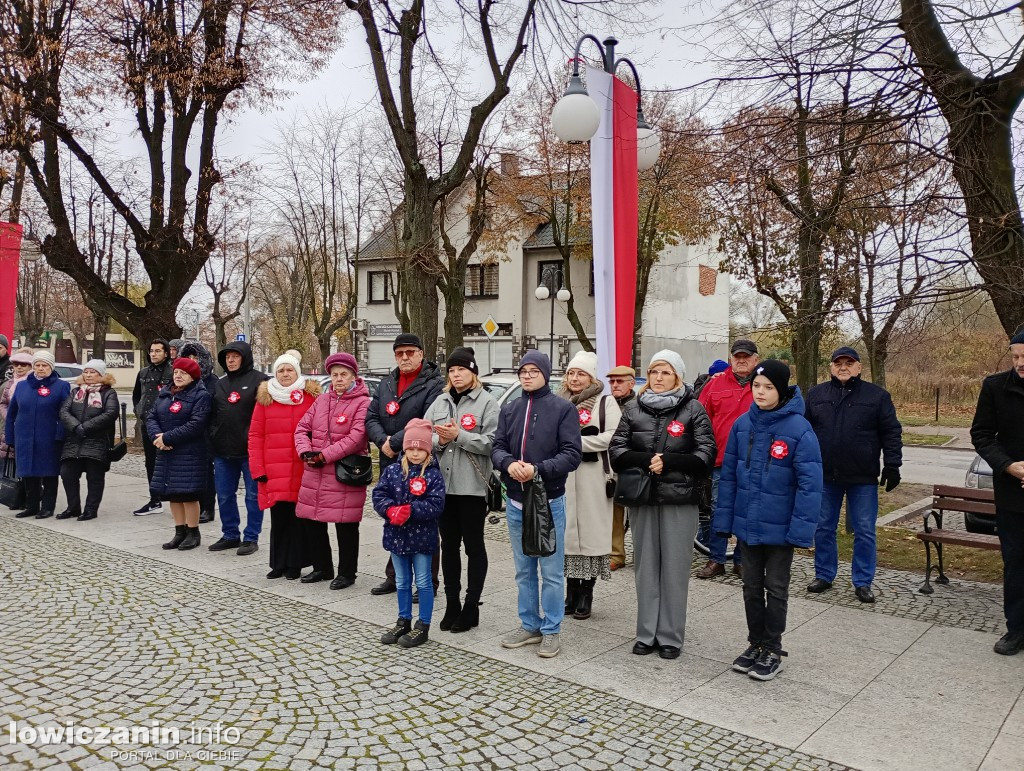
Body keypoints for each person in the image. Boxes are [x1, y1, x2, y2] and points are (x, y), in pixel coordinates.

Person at [713, 360, 822, 680]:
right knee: (750, 586)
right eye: (756, 387)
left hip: (781, 527)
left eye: (768, 388)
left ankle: (772, 647)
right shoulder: (742, 425)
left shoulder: (799, 429)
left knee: (775, 587)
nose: (760, 393)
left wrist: (801, 530)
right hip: (749, 524)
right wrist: (726, 520)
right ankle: (755, 642)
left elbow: (810, 485)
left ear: (781, 390)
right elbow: (730, 476)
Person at [609, 350, 715, 660]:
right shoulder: (633, 409)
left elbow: (705, 455)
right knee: (646, 568)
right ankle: (646, 633)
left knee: (674, 568)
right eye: (654, 371)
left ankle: (670, 636)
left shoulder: (693, 410)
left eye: (665, 372)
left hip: (679, 499)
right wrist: (648, 461)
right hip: (642, 499)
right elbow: (617, 450)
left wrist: (668, 462)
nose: (658, 377)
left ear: (678, 377)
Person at [491, 351, 582, 659]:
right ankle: (529, 623)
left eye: (533, 371)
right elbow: (497, 446)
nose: (527, 376)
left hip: (548, 501)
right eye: (523, 371)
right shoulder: (510, 408)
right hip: (516, 501)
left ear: (545, 373)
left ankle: (551, 629)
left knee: (552, 571)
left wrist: (538, 469)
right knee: (524, 569)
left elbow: (572, 453)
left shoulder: (562, 408)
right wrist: (507, 464)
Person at [805, 346, 902, 603]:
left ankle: (862, 581)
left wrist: (893, 465)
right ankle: (824, 574)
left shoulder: (877, 396)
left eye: (849, 362)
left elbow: (891, 432)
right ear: (831, 367)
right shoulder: (816, 395)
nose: (843, 367)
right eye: (838, 363)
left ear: (859, 367)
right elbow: (803, 433)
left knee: (864, 530)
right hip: (826, 475)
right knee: (823, 527)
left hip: (862, 476)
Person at [424, 346, 499, 633]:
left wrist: (460, 436)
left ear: (473, 372)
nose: (456, 375)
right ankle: (452, 602)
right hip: (443, 487)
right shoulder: (441, 401)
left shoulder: (488, 403)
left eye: (462, 370)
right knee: (449, 546)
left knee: (474, 546)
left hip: (472, 487)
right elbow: (423, 434)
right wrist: (440, 442)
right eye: (452, 370)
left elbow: (493, 442)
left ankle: (471, 606)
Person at [365, 332, 444, 596]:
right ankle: (395, 576)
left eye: (410, 352)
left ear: (421, 354)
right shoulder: (387, 382)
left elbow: (427, 418)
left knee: (423, 519)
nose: (405, 357)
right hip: (392, 460)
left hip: (420, 459)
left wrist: (396, 442)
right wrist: (382, 441)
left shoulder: (433, 384)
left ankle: (428, 582)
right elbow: (371, 416)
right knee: (395, 515)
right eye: (400, 353)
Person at [294, 352, 371, 588]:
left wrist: (324, 455)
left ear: (353, 377)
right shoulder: (321, 400)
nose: (338, 379)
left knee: (345, 524)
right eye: (334, 374)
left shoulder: (363, 402)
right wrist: (306, 451)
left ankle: (347, 572)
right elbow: (301, 429)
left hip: (343, 470)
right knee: (312, 520)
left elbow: (357, 438)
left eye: (344, 374)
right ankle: (322, 567)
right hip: (315, 470)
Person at [556, 351, 621, 620]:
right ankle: (570, 592)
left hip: (594, 477)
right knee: (567, 535)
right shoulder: (557, 402)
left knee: (592, 536)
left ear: (591, 377)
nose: (574, 378)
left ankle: (587, 592)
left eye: (580, 373)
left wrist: (575, 444)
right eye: (571, 373)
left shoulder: (605, 403)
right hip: (565, 477)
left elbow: (612, 436)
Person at [970, 331, 1024, 655]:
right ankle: (1016, 629)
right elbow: (981, 434)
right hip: (1012, 494)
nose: (1019, 363)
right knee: (1016, 562)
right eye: (1015, 356)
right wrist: (1009, 466)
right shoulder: (995, 387)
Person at [373, 419, 446, 648]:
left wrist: (411, 510)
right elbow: (379, 494)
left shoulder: (433, 474)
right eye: (411, 449)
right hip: (396, 536)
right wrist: (389, 510)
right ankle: (403, 619)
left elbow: (437, 504)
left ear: (427, 451)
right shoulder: (393, 471)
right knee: (402, 581)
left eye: (420, 449)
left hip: (422, 537)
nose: (415, 453)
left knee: (423, 581)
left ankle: (423, 624)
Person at [249, 353, 321, 580]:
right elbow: (255, 436)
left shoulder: (310, 397)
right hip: (274, 470)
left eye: (289, 370)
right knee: (279, 518)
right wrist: (258, 469)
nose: (285, 374)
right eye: (281, 371)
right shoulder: (266, 398)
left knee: (299, 519)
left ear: (297, 372)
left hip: (303, 468)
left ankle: (295, 564)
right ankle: (278, 563)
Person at [696, 339, 760, 579]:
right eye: (737, 357)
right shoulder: (715, 384)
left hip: (752, 461)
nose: (741, 360)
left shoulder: (762, 384)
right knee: (717, 510)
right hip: (720, 460)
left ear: (756, 359)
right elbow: (700, 417)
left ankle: (742, 561)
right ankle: (716, 559)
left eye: (746, 356)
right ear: (731, 358)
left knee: (746, 510)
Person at [207, 341, 269, 556]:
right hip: (223, 451)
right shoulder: (220, 383)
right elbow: (212, 414)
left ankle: (251, 537)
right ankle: (230, 534)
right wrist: (213, 436)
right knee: (224, 495)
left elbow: (267, 417)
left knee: (253, 496)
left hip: (250, 452)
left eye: (235, 356)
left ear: (245, 357)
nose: (231, 360)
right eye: (227, 357)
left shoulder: (260, 381)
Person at [146, 357, 213, 550]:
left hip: (189, 452)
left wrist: (167, 438)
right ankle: (179, 531)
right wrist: (157, 438)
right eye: (176, 372)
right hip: (166, 451)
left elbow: (196, 424)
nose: (178, 376)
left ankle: (193, 532)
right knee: (173, 494)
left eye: (183, 373)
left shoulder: (200, 395)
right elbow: (152, 416)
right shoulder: (166, 393)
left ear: (192, 376)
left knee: (188, 494)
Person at [4, 350, 71, 519]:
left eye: (44, 365)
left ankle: (48, 507)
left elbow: (65, 413)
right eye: (37, 365)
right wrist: (10, 437)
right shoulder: (22, 385)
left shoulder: (61, 386)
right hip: (24, 437)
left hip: (48, 437)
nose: (40, 368)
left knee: (48, 473)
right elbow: (12, 413)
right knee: (27, 472)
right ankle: (31, 505)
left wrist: (60, 434)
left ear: (51, 367)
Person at [57, 360, 120, 521]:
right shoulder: (76, 391)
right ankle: (73, 507)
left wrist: (86, 427)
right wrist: (76, 426)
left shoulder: (108, 393)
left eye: (93, 372)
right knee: (67, 474)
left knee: (95, 477)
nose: (88, 375)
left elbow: (110, 413)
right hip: (74, 441)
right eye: (86, 372)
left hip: (96, 441)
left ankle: (91, 509)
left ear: (101, 375)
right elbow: (64, 411)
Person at [132, 338, 173, 516]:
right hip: (148, 423)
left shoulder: (172, 372)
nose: (154, 354)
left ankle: (176, 497)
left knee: (170, 462)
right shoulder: (143, 373)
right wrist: (139, 411)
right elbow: (136, 395)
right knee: (151, 463)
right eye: (152, 351)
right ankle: (154, 499)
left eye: (158, 351)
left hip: (167, 425)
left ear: (166, 353)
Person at [179, 340, 219, 523]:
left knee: (206, 473)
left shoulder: (212, 382)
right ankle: (190, 507)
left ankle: (207, 508)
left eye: (196, 357)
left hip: (206, 434)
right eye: (188, 357)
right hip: (185, 434)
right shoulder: (181, 383)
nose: (192, 360)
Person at [606, 365, 636, 571]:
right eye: (612, 381)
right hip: (611, 464)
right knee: (615, 510)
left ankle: (643, 554)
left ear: (631, 383)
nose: (615, 385)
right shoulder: (607, 403)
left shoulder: (638, 405)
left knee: (637, 512)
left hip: (634, 463)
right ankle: (616, 553)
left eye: (620, 381)